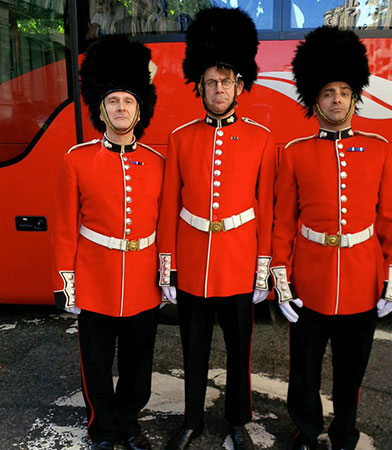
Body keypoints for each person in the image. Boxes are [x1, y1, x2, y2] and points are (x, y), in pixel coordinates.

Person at [270, 26, 392, 450]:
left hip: (360, 281)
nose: (336, 99)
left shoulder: (379, 148)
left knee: (352, 371)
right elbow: (283, 223)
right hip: (311, 282)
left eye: (344, 91)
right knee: (303, 371)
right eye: (328, 91)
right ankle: (306, 430)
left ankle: (344, 432)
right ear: (315, 99)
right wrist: (281, 278)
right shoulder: (295, 152)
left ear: (354, 97)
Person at [157, 7, 277, 450]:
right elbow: (170, 204)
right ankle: (191, 420)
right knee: (193, 349)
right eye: (211, 81)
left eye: (227, 81)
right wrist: (167, 265)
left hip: (240, 263)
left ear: (240, 85)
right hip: (191, 265)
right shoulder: (180, 137)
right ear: (200, 87)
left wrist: (263, 266)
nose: (219, 88)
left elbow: (265, 209)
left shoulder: (262, 138)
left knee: (240, 351)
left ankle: (238, 420)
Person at [51, 35, 163, 450]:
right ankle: (102, 427)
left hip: (141, 282)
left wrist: (165, 274)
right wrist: (65, 281)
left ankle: (129, 423)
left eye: (128, 101)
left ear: (139, 109)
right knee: (95, 363)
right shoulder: (76, 159)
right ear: (101, 109)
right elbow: (64, 226)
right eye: (113, 101)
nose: (120, 108)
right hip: (95, 278)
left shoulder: (156, 163)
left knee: (139, 363)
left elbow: (162, 225)